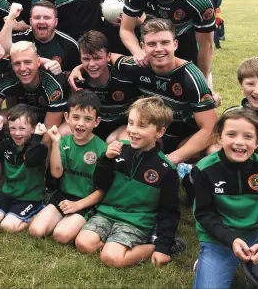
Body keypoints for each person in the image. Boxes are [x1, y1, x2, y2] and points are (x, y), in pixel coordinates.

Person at [70, 19, 218, 165]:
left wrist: (172, 159)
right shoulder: (138, 66)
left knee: (212, 152)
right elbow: (110, 57)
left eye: (165, 43)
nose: (158, 49)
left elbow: (211, 128)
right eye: (152, 44)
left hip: (184, 136)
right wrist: (80, 68)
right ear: (143, 47)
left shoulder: (191, 76)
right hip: (152, 133)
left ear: (175, 44)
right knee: (123, 143)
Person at [75, 97, 180, 268]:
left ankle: (155, 243)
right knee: (83, 243)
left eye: (142, 126)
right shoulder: (119, 150)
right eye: (130, 123)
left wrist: (163, 247)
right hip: (107, 214)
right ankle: (114, 243)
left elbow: (169, 211)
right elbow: (100, 184)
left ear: (159, 132)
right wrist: (106, 160)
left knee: (112, 258)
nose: (133, 130)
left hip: (135, 221)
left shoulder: (166, 169)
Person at [192, 108, 258, 289]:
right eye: (231, 134)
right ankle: (208, 264)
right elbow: (204, 214)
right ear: (220, 137)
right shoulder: (204, 169)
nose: (239, 142)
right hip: (219, 239)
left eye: (248, 137)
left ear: (257, 141)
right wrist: (230, 239)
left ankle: (256, 266)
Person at [120, 0, 215, 83]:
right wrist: (139, 53)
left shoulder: (198, 0)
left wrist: (201, 81)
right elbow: (126, 29)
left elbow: (207, 47)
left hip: (186, 44)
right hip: (153, 44)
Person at [29, 90, 107, 244]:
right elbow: (56, 174)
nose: (80, 124)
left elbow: (103, 191)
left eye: (87, 119)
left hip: (86, 200)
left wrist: (78, 205)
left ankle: (84, 223)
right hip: (64, 196)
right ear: (67, 118)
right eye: (76, 117)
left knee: (61, 236)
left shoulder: (102, 149)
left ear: (96, 122)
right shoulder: (63, 142)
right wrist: (56, 143)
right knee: (36, 231)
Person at [0, 41, 67, 145]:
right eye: (17, 63)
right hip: (26, 118)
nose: (22, 68)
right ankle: (9, 152)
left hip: (50, 118)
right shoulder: (9, 79)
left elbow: (49, 133)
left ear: (38, 62)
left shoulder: (52, 85)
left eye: (28, 62)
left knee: (53, 135)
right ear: (12, 65)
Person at [64, 30, 139, 142]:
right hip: (89, 129)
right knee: (62, 132)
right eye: (86, 59)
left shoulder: (126, 76)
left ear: (109, 57)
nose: (92, 64)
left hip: (120, 129)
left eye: (97, 58)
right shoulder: (77, 81)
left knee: (116, 140)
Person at [0, 104, 47, 233]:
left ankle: (35, 214)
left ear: (33, 129)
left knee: (7, 226)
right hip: (9, 193)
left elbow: (30, 161)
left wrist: (37, 138)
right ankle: (12, 213)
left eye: (22, 128)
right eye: (12, 128)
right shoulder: (8, 143)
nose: (17, 133)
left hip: (30, 197)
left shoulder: (39, 147)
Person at [0, 0, 80, 74]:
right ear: (30, 21)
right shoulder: (20, 40)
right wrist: (11, 17)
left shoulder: (69, 44)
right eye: (37, 17)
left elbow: (76, 73)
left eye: (47, 18)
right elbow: (3, 50)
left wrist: (61, 74)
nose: (41, 21)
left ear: (55, 22)